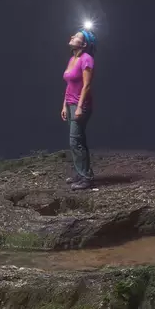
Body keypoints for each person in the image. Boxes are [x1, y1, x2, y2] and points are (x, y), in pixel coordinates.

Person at [61, 28, 96, 190]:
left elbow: (87, 85)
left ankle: (86, 178)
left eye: (76, 36)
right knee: (77, 140)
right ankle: (81, 172)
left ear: (84, 44)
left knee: (75, 141)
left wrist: (80, 107)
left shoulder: (86, 59)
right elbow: (70, 85)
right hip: (70, 104)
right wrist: (64, 105)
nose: (72, 36)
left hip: (80, 105)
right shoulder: (72, 59)